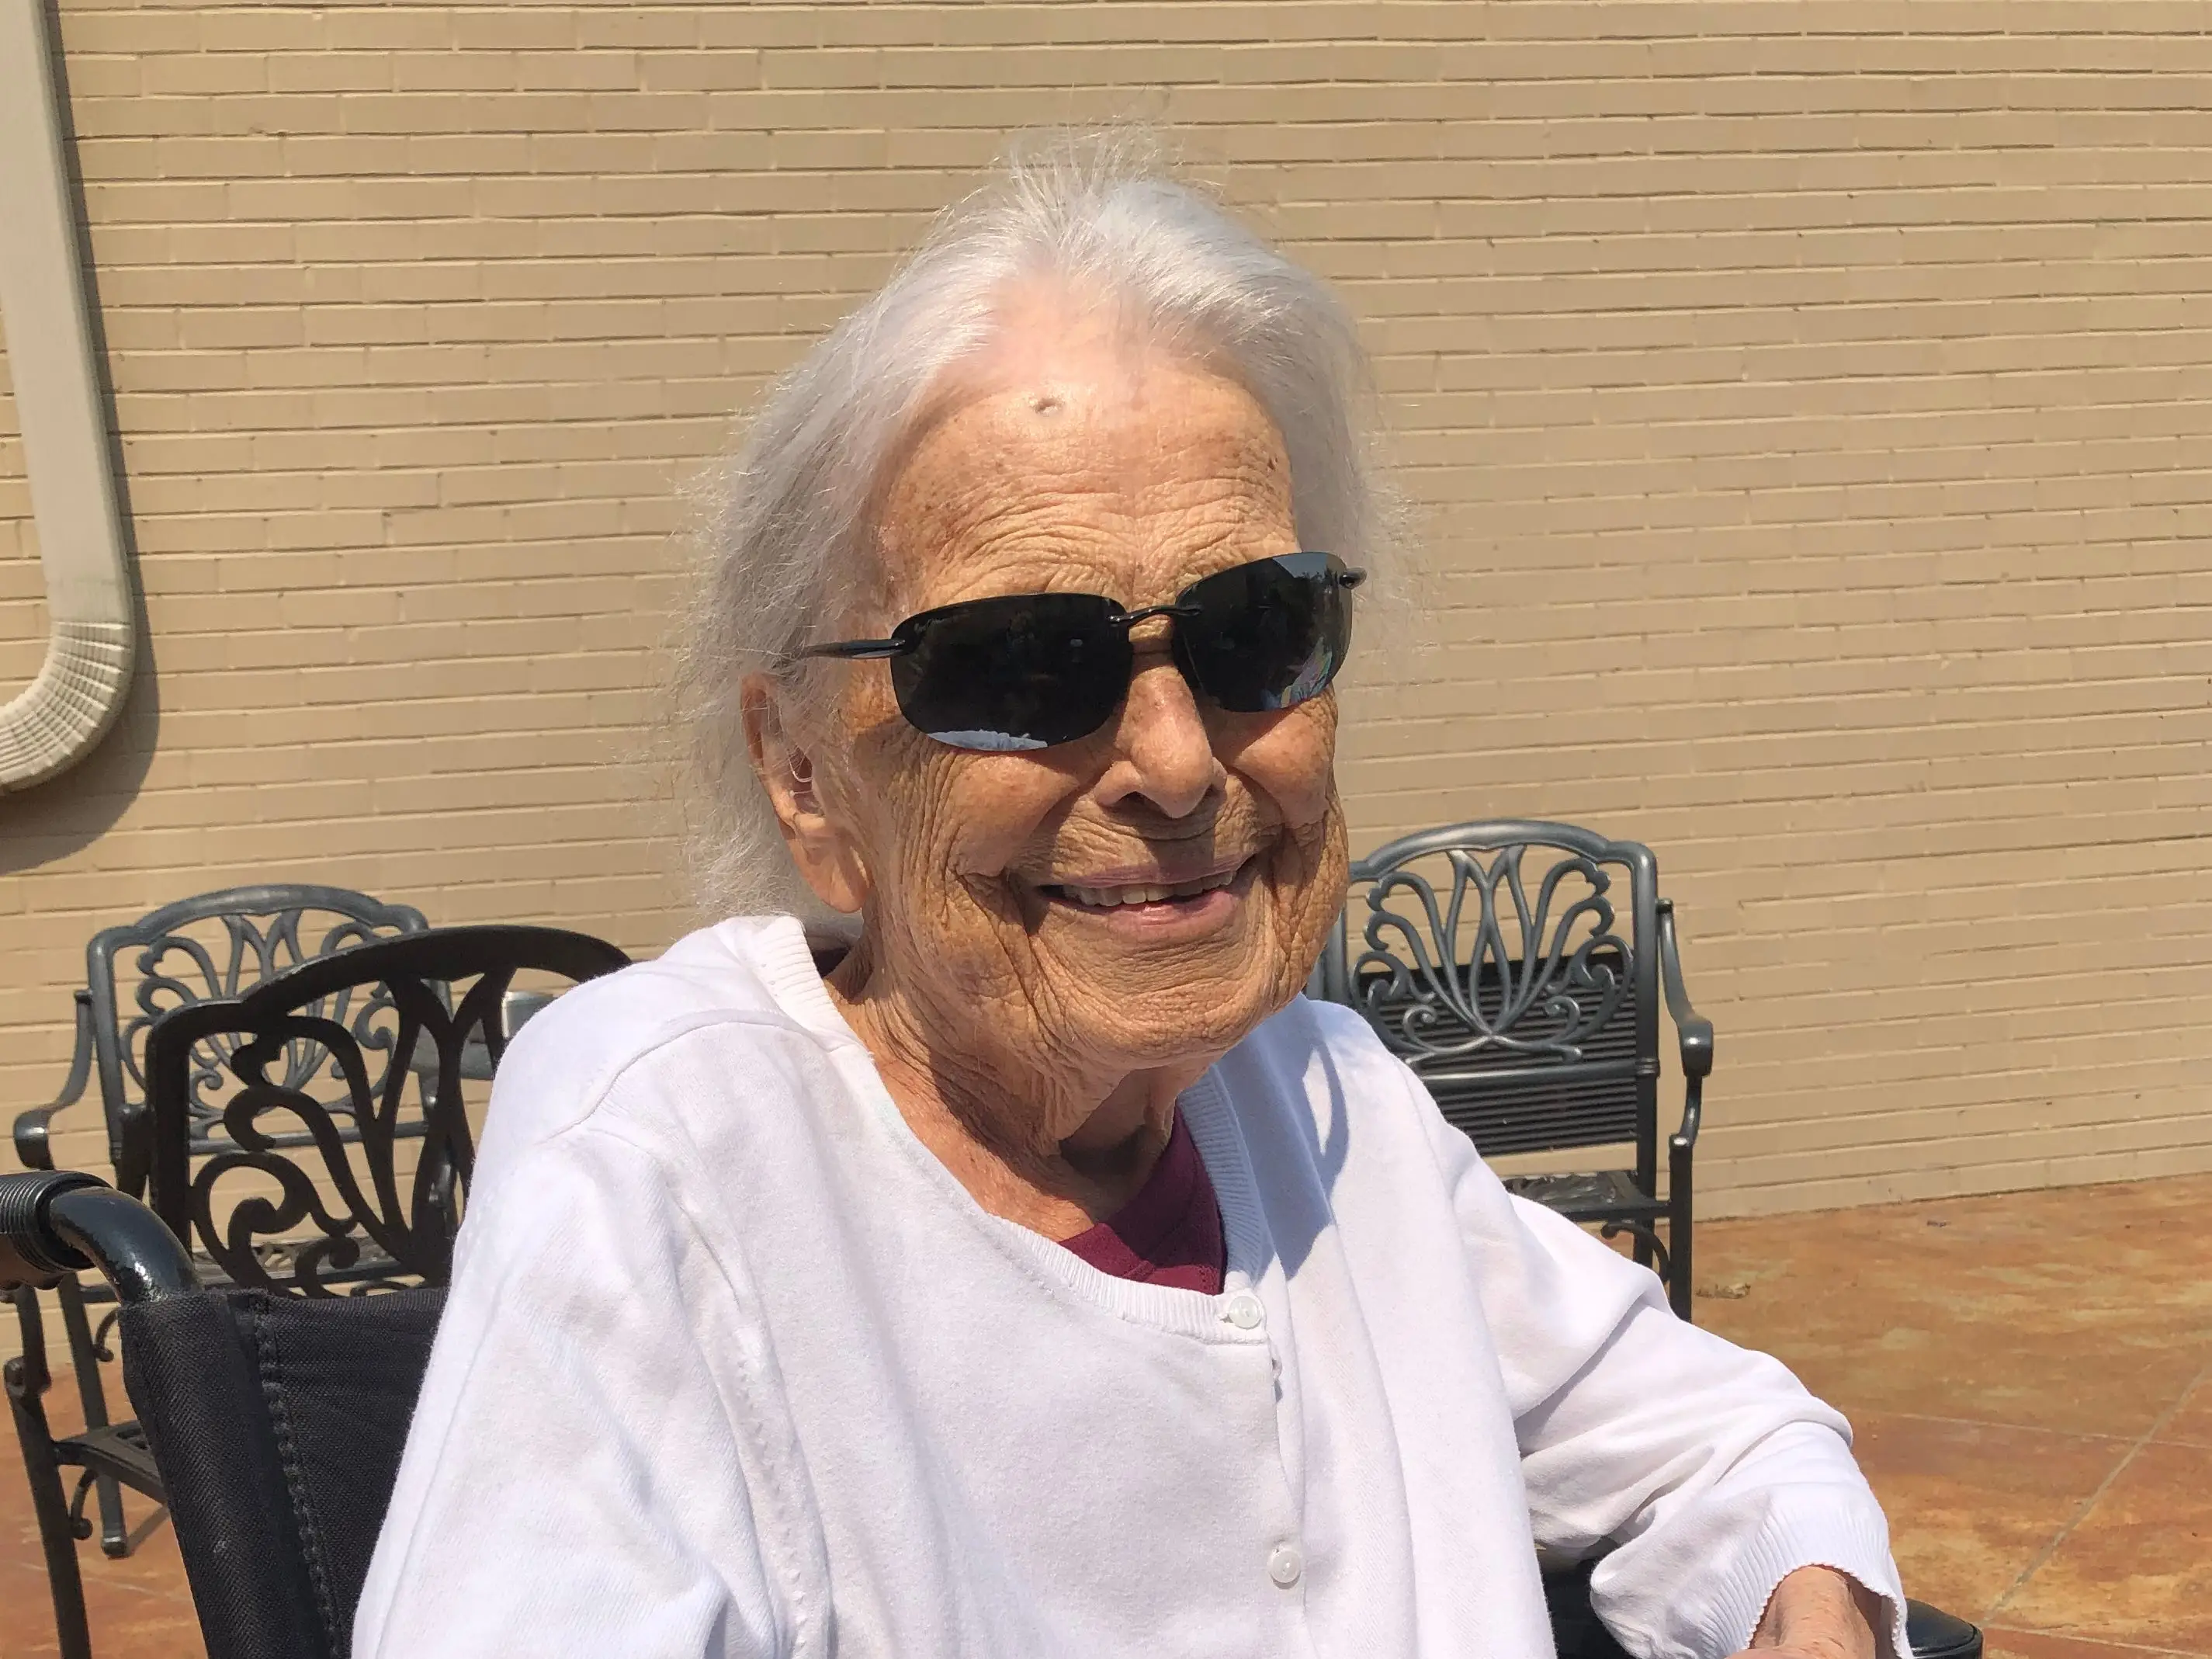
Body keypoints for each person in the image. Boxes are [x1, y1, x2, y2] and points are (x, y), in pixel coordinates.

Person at [355, 141, 1907, 1659]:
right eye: (1025, 664)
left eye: (1254, 630)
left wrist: (1807, 1600)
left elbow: (1721, 1436)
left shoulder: (1326, 1098)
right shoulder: (664, 1152)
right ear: (804, 772)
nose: (1175, 761)